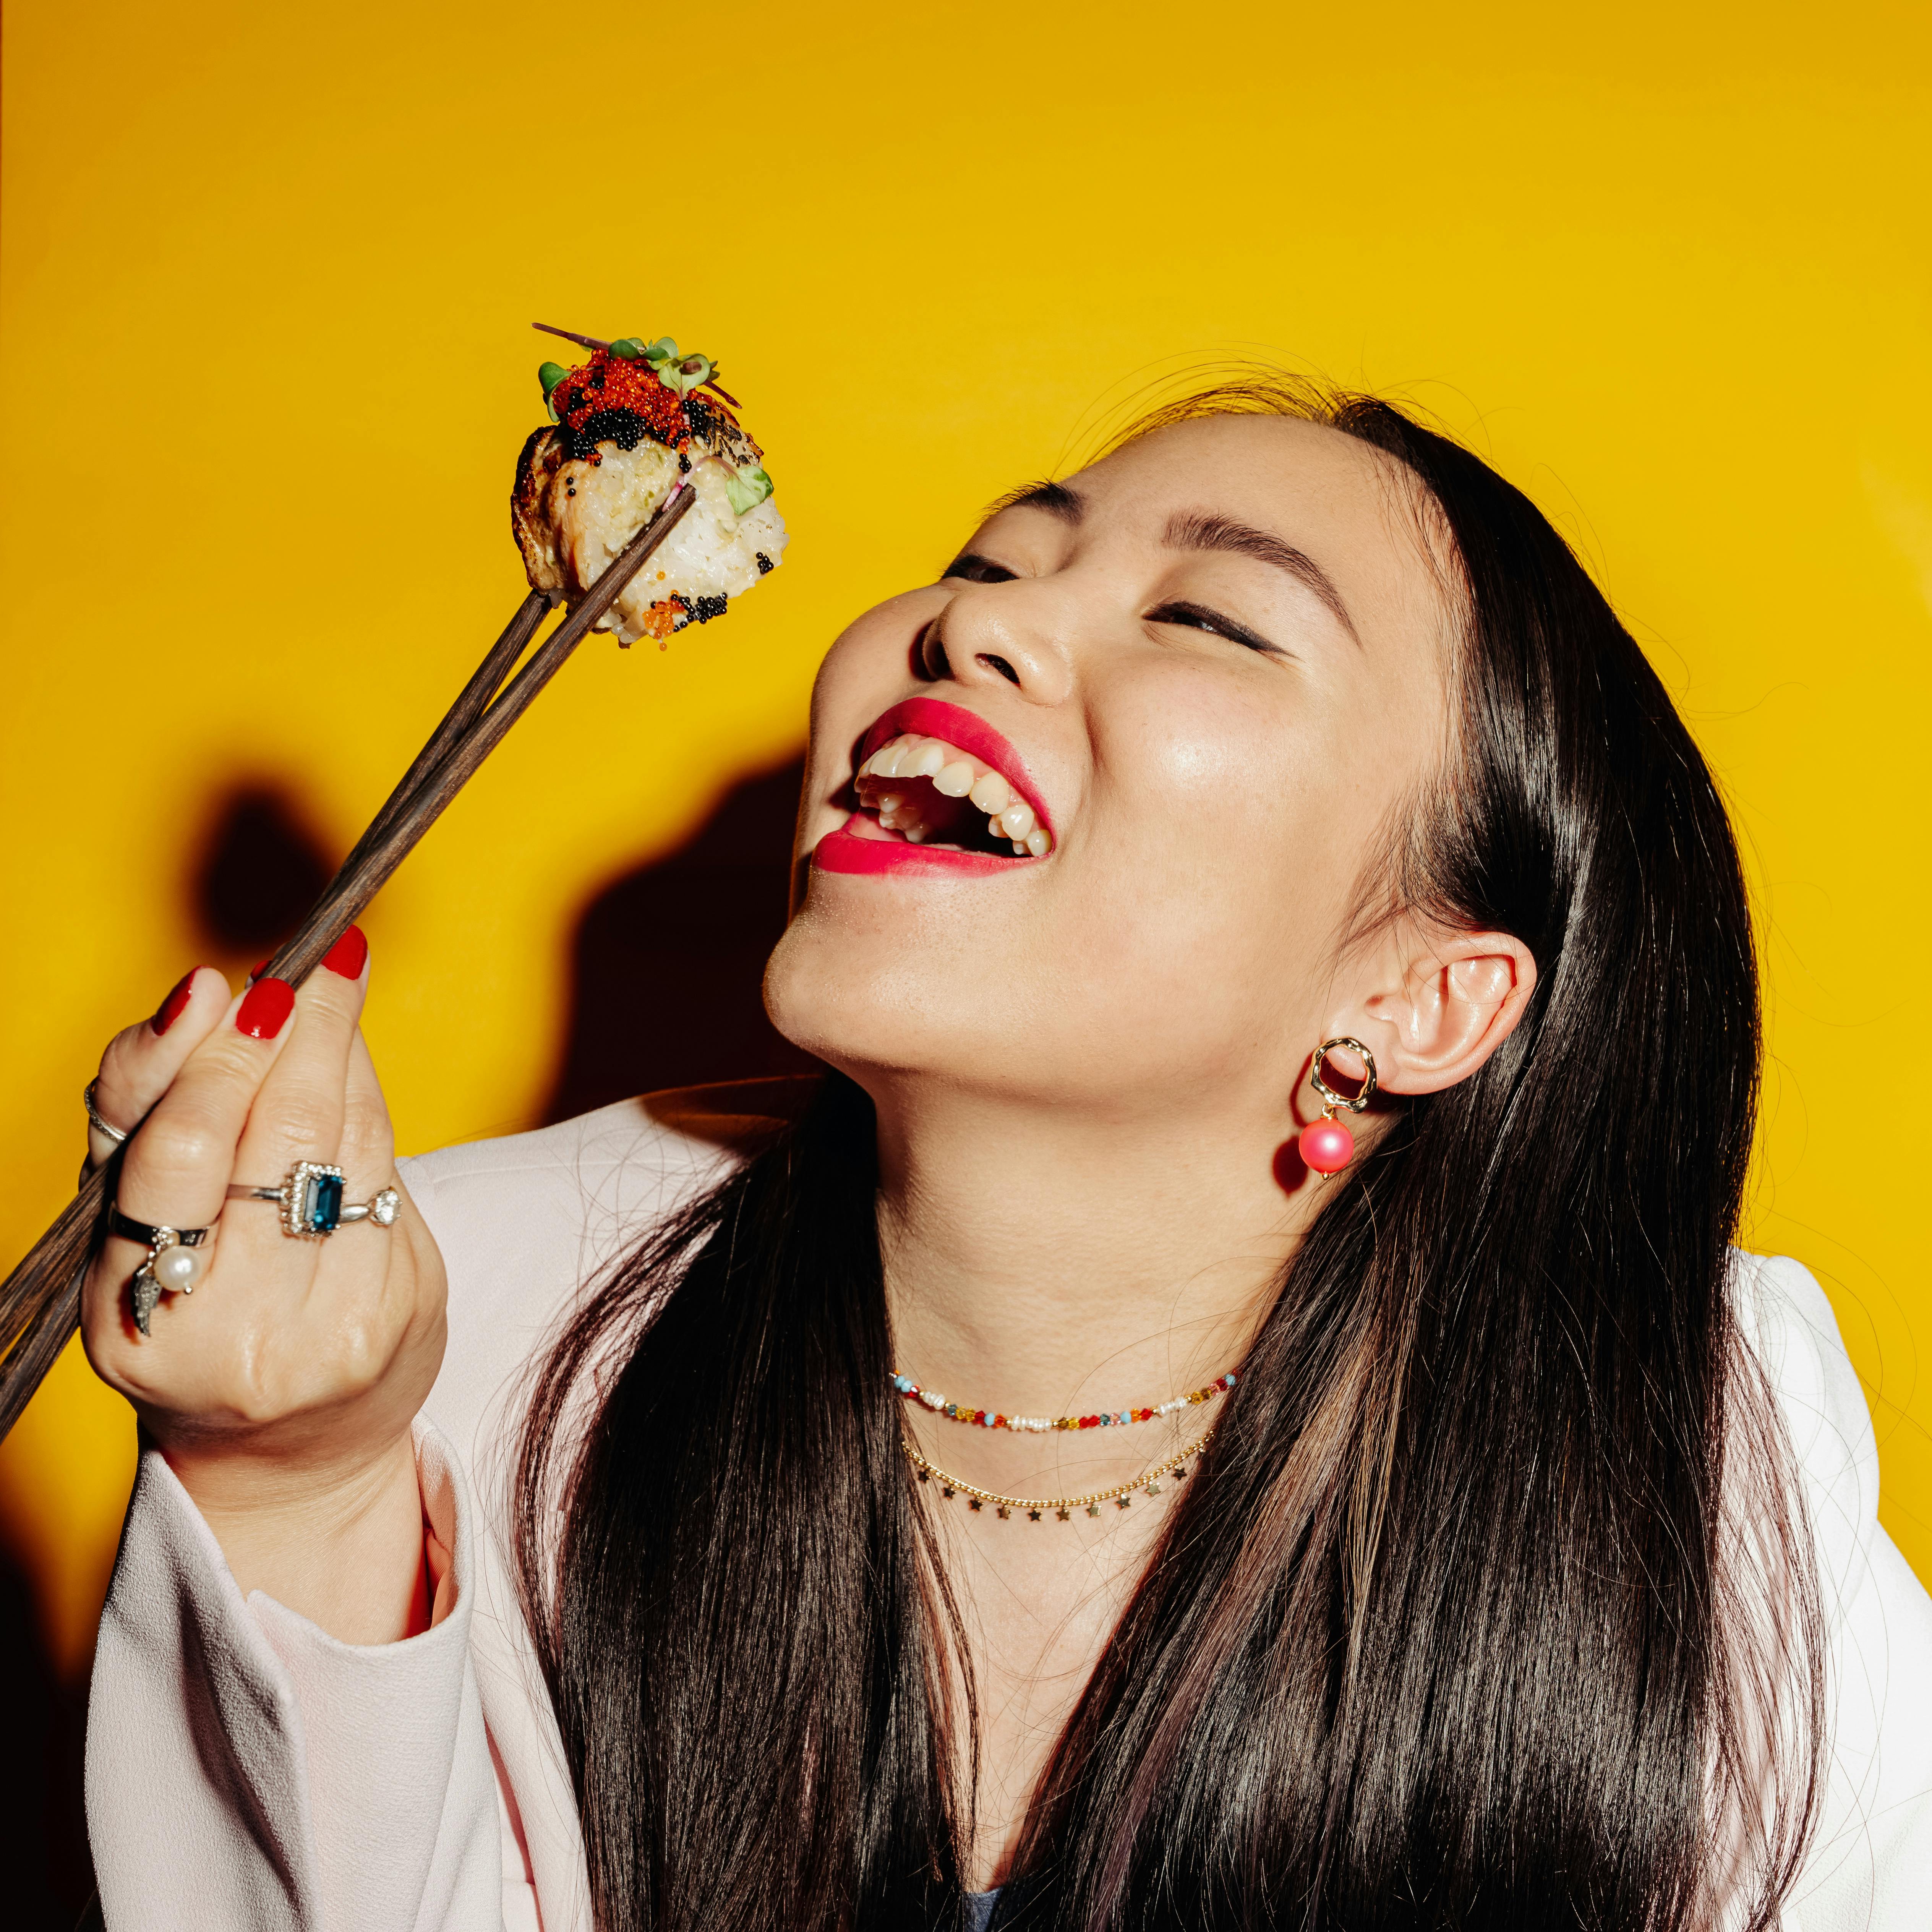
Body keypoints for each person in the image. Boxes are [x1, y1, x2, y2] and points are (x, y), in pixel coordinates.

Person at [75, 378, 1931, 1931]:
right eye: (987, 559)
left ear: (1423, 998)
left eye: (1205, 615)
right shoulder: (437, 1325)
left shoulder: (1684, 1444)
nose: (970, 619)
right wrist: (300, 1491)